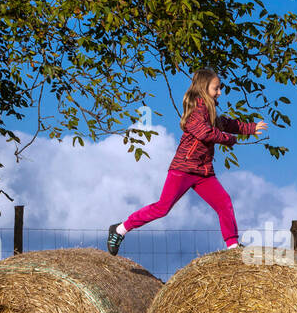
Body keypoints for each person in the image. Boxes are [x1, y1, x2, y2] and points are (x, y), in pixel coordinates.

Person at [108, 69, 267, 255]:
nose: (219, 92)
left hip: (203, 171)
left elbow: (225, 123)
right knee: (162, 208)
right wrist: (229, 139)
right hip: (183, 168)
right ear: (203, 87)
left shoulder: (210, 111)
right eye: (216, 88)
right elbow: (205, 133)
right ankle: (120, 229)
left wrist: (251, 128)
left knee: (224, 202)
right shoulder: (194, 110)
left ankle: (232, 247)